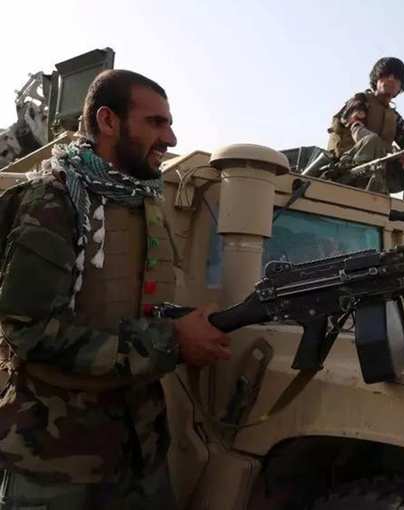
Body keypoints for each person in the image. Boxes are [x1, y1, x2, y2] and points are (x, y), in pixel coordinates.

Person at [0, 70, 231, 509]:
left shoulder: (142, 201)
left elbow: (135, 304)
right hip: (58, 464)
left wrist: (178, 320)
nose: (170, 136)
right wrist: (172, 341)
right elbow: (31, 333)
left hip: (140, 455)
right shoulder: (54, 201)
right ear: (108, 121)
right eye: (156, 123)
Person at [326, 57, 404, 205]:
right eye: (386, 74)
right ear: (376, 79)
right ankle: (370, 203)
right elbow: (356, 128)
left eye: (397, 78)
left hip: (380, 172)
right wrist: (373, 142)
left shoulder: (393, 117)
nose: (391, 79)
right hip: (347, 170)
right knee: (372, 141)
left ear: (400, 87)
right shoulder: (360, 101)